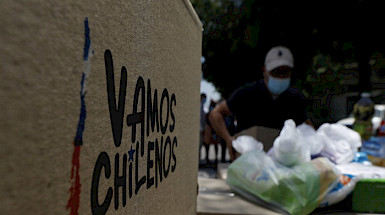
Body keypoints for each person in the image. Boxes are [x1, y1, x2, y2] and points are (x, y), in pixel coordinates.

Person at [209, 46, 311, 161]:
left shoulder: (295, 99)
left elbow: (307, 126)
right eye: (276, 72)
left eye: (285, 72)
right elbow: (215, 114)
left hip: (283, 165)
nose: (280, 77)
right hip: (248, 163)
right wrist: (228, 139)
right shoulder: (247, 93)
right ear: (265, 71)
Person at [199, 93, 207, 162]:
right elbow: (199, 118)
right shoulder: (199, 106)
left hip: (201, 130)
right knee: (198, 146)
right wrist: (201, 128)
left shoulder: (202, 106)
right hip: (199, 130)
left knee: (200, 146)